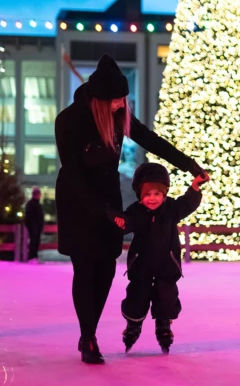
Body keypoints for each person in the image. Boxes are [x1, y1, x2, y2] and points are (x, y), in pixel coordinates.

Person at [55, 53, 208, 364]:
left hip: (109, 198)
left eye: (123, 99)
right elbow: (73, 175)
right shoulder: (69, 120)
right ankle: (88, 338)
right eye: (116, 100)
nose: (121, 105)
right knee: (86, 269)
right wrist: (104, 212)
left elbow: (152, 140)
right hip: (78, 202)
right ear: (100, 99)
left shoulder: (117, 114)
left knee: (108, 269)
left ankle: (90, 333)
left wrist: (189, 165)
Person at [113, 163, 207, 354]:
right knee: (137, 295)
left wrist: (195, 187)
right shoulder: (137, 210)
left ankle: (164, 325)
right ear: (140, 195)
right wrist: (120, 221)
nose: (152, 199)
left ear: (164, 194)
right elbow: (127, 222)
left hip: (166, 265)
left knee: (166, 296)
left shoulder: (171, 208)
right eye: (147, 194)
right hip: (141, 266)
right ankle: (133, 325)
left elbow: (187, 203)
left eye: (157, 194)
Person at [24, 187, 44, 263]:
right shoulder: (31, 204)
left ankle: (34, 256)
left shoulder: (38, 204)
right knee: (33, 242)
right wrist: (32, 226)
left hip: (37, 227)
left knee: (36, 242)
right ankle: (32, 257)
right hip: (33, 227)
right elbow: (30, 217)